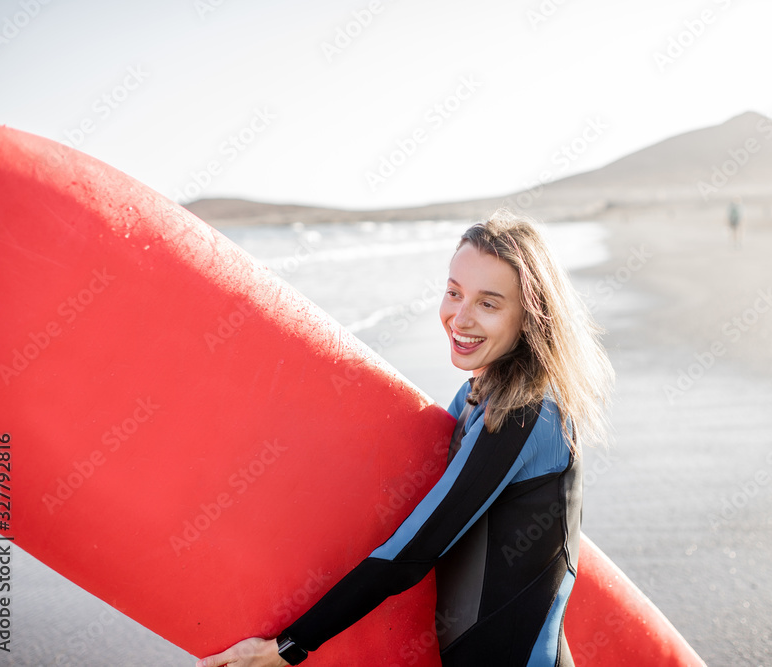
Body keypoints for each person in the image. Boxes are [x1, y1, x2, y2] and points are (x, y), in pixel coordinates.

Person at [196, 208, 615, 667]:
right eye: (454, 293)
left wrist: (289, 646)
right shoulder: (479, 393)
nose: (460, 317)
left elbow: (414, 550)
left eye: (489, 303)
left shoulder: (526, 415)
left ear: (532, 315)